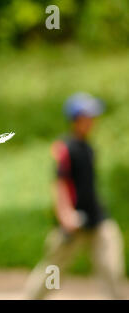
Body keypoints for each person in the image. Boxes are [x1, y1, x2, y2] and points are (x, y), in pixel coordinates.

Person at [24, 92, 126, 299]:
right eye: (88, 117)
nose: (92, 122)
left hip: (97, 218)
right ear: (76, 119)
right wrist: (65, 214)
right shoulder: (66, 147)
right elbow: (60, 182)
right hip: (73, 220)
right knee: (53, 269)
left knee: (112, 267)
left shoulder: (89, 148)